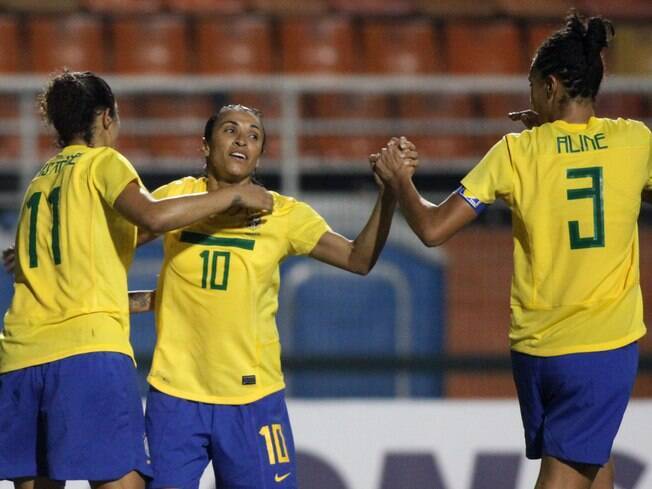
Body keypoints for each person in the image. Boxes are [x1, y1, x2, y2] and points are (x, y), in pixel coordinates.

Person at [373, 13, 651, 489]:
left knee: (591, 463)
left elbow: (434, 228)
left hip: (536, 350)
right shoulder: (635, 142)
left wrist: (401, 182)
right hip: (600, 347)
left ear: (550, 85)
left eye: (531, 87)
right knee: (568, 472)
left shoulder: (515, 152)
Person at [0, 72, 273, 489]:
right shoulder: (103, 162)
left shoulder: (40, 182)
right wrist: (233, 195)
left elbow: (67, 270)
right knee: (123, 483)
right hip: (88, 354)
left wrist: (143, 299)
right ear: (106, 118)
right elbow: (152, 215)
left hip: (21, 357)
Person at [129, 104, 413, 489]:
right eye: (230, 129)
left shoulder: (283, 214)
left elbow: (357, 258)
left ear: (260, 154)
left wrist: (389, 196)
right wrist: (140, 297)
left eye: (254, 134)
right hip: (175, 398)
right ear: (205, 145)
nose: (242, 139)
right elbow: (118, 244)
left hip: (253, 400)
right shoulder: (175, 198)